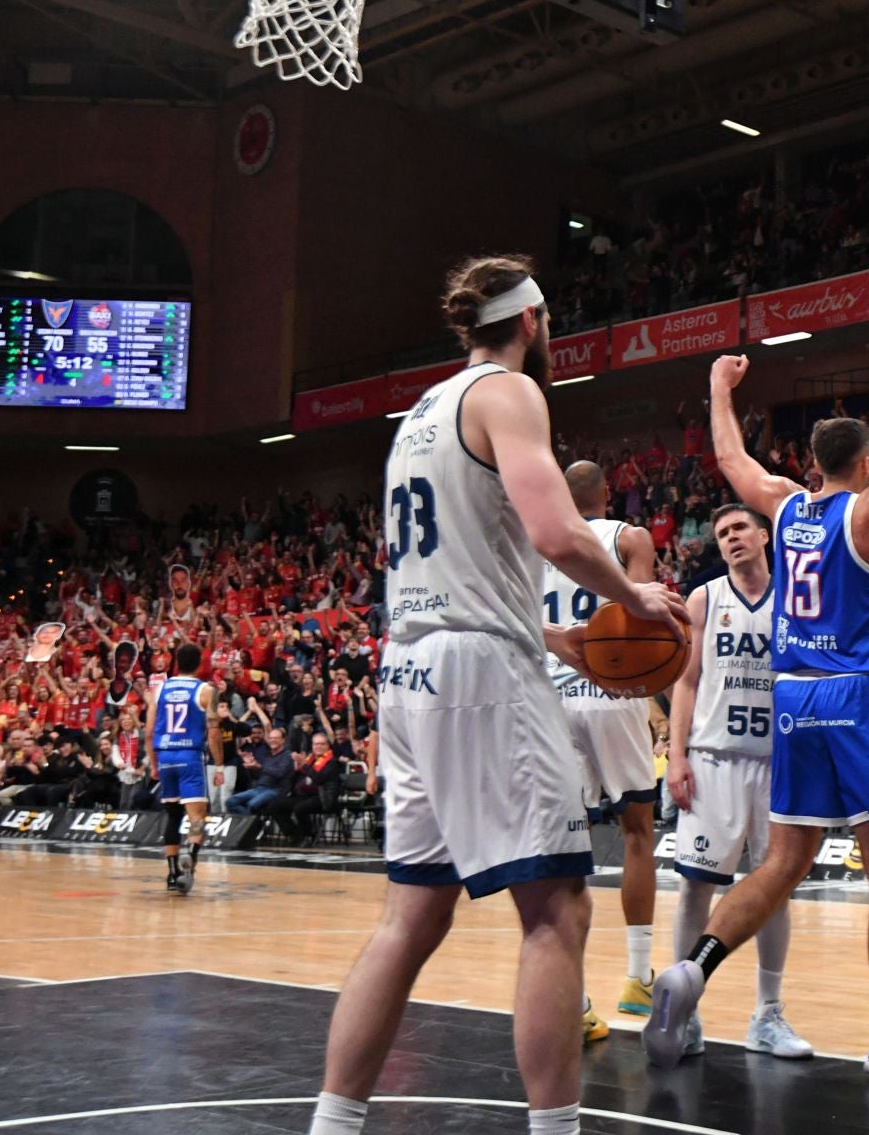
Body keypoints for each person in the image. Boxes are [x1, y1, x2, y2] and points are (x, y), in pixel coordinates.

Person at [309, 258, 687, 1135]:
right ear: (534, 323)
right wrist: (631, 599)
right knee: (557, 908)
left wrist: (557, 638)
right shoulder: (510, 395)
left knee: (411, 915)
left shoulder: (419, 415)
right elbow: (557, 531)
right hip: (479, 681)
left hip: (406, 673)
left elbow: (460, 568)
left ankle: (330, 1126)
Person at [643, 301, 869, 1079]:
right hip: (854, 694)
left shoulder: (781, 506)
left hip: (790, 699)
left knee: (780, 863)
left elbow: (731, 458)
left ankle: (690, 970)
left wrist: (718, 385)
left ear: (812, 463)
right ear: (865, 462)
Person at [662, 503, 813, 1062]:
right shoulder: (704, 598)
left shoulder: (796, 599)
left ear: (764, 534)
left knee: (773, 890)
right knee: (694, 889)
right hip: (714, 759)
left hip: (778, 763)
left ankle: (768, 1015)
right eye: (722, 533)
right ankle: (686, 1013)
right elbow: (687, 681)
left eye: (739, 528)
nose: (730, 539)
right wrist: (676, 756)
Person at [544, 459, 663, 1026]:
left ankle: (576, 1000)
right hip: (611, 692)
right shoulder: (629, 536)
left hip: (549, 698)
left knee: (565, 850)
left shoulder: (535, 541)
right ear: (608, 492)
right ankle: (639, 978)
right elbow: (643, 617)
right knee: (638, 833)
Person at [145, 643, 221, 896]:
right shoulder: (206, 690)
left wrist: (154, 765)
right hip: (190, 755)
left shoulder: (160, 689)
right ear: (200, 663)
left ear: (175, 662)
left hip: (165, 756)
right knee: (197, 818)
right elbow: (213, 730)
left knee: (173, 816)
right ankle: (192, 855)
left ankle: (171, 873)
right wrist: (219, 764)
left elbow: (147, 733)